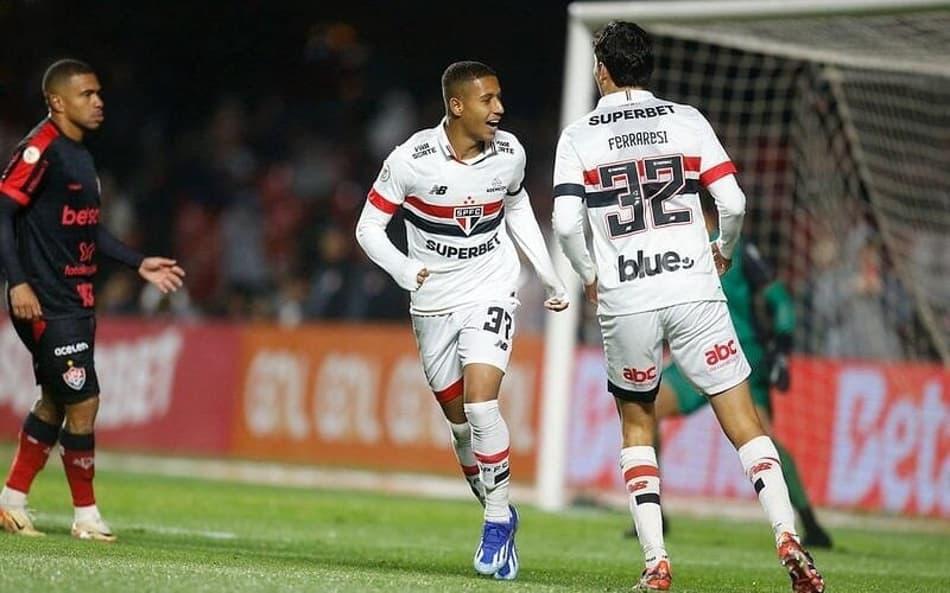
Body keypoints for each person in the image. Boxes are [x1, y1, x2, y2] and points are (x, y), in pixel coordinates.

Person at [552, 22, 824, 593]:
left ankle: (656, 561)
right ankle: (787, 536)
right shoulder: (687, 120)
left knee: (638, 424)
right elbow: (733, 201)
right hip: (694, 288)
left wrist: (589, 275)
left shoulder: (579, 135)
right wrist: (723, 249)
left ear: (601, 70)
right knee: (746, 423)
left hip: (628, 294)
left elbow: (566, 223)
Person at [356, 61, 567, 581]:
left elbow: (516, 207)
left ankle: (495, 521)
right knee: (460, 427)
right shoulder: (411, 160)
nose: (499, 109)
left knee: (481, 402)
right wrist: (404, 268)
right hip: (432, 301)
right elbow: (368, 227)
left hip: (491, 287)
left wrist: (549, 274)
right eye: (487, 100)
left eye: (499, 97)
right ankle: (500, 509)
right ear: (457, 106)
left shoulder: (510, 152)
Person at [0, 59, 185, 542]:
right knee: (84, 400)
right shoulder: (40, 150)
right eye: (86, 94)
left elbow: (87, 228)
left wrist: (137, 262)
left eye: (99, 93)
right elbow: (2, 213)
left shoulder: (80, 155)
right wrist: (17, 282)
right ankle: (86, 516)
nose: (98, 102)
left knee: (54, 402)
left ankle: (11, 501)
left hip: (76, 297)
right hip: (45, 298)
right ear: (57, 102)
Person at [626, 195, 832, 548]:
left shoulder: (736, 247)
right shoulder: (673, 248)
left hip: (741, 354)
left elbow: (780, 301)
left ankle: (808, 522)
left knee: (759, 437)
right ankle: (653, 512)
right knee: (648, 410)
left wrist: (780, 351)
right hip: (696, 352)